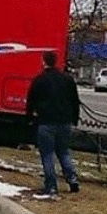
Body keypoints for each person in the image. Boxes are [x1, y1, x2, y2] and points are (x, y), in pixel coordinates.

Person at [25, 51, 81, 195]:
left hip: (46, 122)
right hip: (64, 122)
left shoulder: (39, 79)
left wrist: (30, 118)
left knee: (47, 155)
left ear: (44, 62)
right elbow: (75, 101)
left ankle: (51, 186)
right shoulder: (67, 79)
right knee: (63, 152)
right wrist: (74, 119)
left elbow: (31, 101)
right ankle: (72, 179)